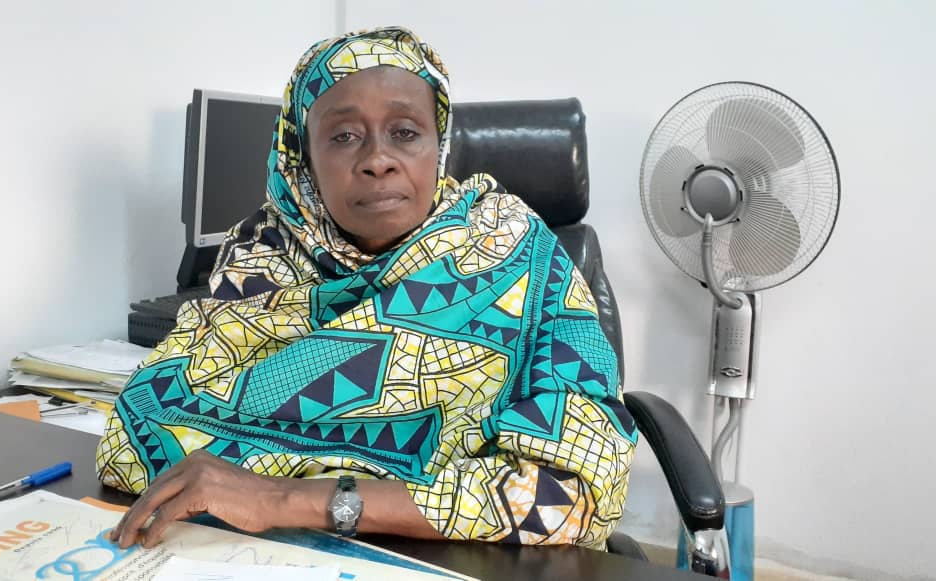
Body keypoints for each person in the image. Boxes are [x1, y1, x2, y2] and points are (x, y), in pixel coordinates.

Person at [97, 26, 637, 551]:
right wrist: (418, 487)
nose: (378, 160)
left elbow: (572, 494)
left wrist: (287, 496)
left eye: (405, 132)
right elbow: (135, 436)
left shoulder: (517, 250)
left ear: (439, 145)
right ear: (302, 159)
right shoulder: (260, 256)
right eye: (344, 136)